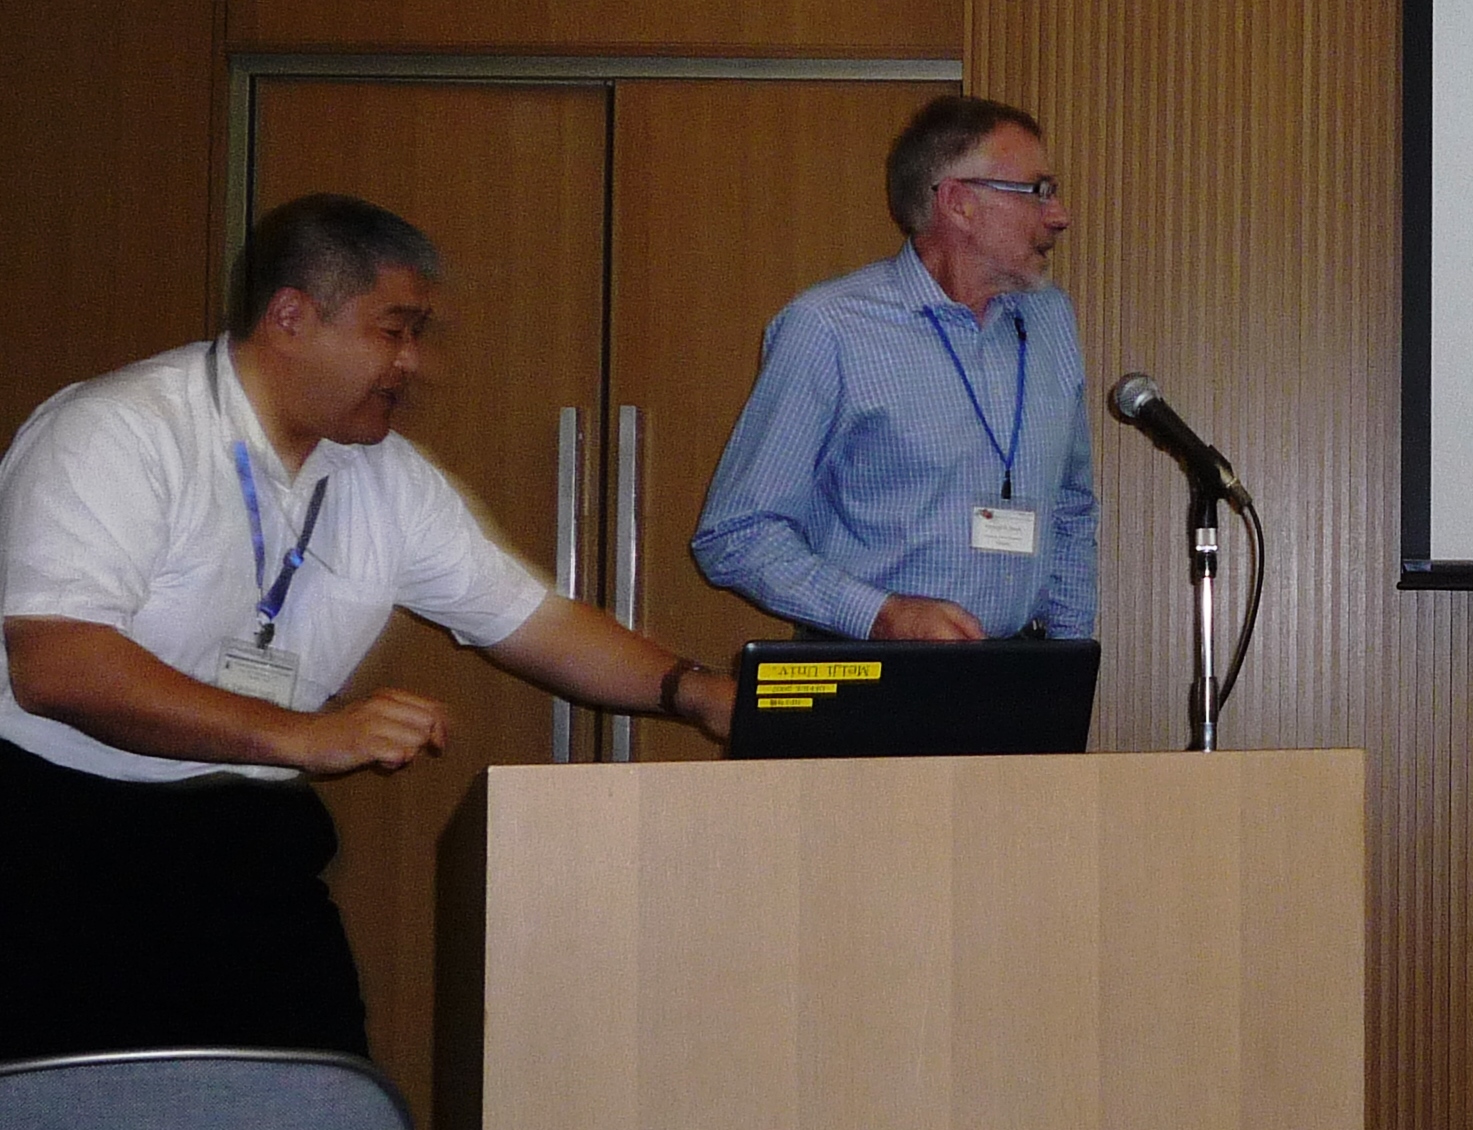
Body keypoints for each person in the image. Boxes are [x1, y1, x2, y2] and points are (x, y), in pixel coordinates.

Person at [0, 192, 735, 1064]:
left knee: (319, 1107)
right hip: (56, 838)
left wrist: (695, 692)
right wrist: (306, 734)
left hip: (249, 836)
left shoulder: (384, 474)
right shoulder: (116, 431)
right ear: (291, 317)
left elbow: (533, 621)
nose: (413, 363)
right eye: (394, 331)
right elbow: (60, 665)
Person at [692, 94, 1098, 641]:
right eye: (1038, 191)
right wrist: (882, 614)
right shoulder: (830, 327)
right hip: (869, 667)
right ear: (958, 203)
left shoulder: (1049, 321)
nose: (1059, 215)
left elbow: (1070, 508)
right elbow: (736, 534)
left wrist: (1068, 657)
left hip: (1017, 670)